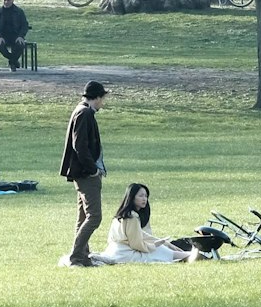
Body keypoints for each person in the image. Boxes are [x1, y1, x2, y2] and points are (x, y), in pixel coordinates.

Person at [59, 81, 109, 267]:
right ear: (96, 97)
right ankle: (76, 257)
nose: (103, 102)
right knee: (94, 217)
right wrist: (93, 169)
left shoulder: (82, 111)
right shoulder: (85, 113)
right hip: (86, 175)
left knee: (83, 217)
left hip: (83, 173)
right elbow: (79, 145)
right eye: (102, 98)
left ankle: (83, 255)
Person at [93, 183, 205, 264]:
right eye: (141, 196)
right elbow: (136, 244)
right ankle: (192, 256)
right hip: (125, 254)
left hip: (115, 250)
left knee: (164, 248)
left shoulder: (123, 215)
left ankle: (191, 255)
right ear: (132, 198)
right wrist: (154, 246)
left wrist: (164, 243)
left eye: (146, 196)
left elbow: (141, 235)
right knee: (160, 251)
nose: (144, 199)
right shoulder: (132, 217)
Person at [0, 0, 31, 72]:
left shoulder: (19, 11)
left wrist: (21, 36)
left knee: (21, 44)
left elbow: (24, 25)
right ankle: (13, 60)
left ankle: (12, 62)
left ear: (12, 0)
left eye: (8, 0)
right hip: (3, 36)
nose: (6, 2)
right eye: (5, 0)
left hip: (15, 35)